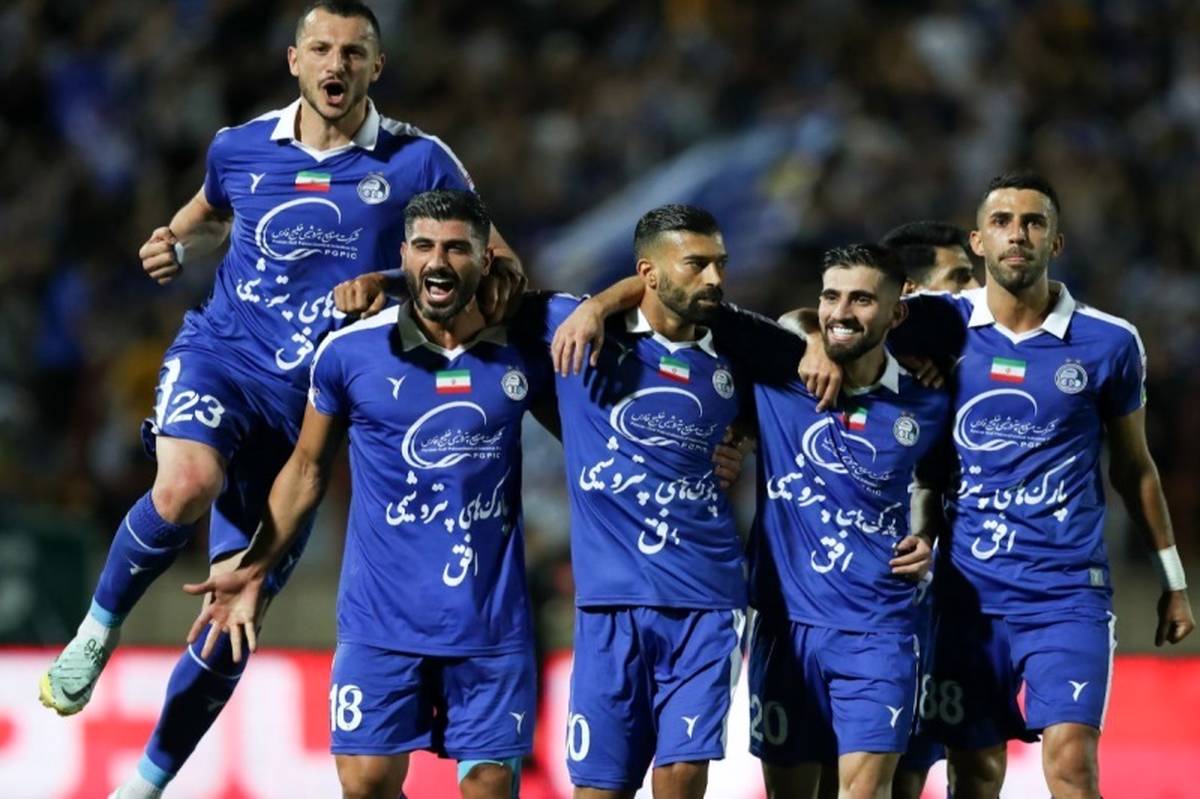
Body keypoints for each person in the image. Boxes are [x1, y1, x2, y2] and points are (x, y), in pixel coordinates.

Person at [39, 3, 521, 796]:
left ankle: (144, 784)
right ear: (294, 60)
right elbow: (205, 216)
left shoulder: (420, 160)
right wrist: (172, 242)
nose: (337, 64)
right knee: (186, 484)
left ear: (377, 67)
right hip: (223, 360)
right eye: (322, 49)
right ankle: (97, 628)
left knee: (234, 616)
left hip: (310, 417)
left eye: (355, 52)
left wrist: (394, 281)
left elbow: (501, 273)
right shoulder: (240, 146)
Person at [809, 171, 1196, 798]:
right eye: (1002, 222)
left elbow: (1134, 467)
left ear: (1056, 242)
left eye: (1034, 223)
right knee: (975, 772)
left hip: (1067, 594)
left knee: (1072, 763)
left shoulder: (1109, 342)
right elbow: (832, 316)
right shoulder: (938, 322)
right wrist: (814, 342)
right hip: (967, 596)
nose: (1018, 234)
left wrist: (1172, 580)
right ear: (978, 241)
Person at [182, 189, 546, 799]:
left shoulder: (524, 350)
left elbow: (592, 431)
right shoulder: (350, 352)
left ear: (487, 260)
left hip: (489, 624)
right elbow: (305, 469)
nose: (438, 261)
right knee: (366, 782)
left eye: (457, 249)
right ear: (403, 256)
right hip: (380, 621)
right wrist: (255, 567)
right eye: (424, 246)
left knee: (488, 787)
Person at [540, 204, 788, 799]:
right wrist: (596, 306)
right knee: (600, 789)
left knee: (681, 776)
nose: (715, 278)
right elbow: (478, 286)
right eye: (696, 264)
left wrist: (743, 439)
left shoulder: (740, 353)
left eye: (720, 263)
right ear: (647, 273)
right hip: (609, 605)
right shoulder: (578, 331)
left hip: (707, 599)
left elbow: (809, 361)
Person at [744, 244, 948, 799]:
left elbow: (934, 482)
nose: (841, 312)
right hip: (784, 627)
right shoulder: (778, 376)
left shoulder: (927, 403)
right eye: (831, 297)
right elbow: (719, 315)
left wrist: (925, 534)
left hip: (879, 628)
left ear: (895, 313)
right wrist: (808, 337)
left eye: (861, 299)